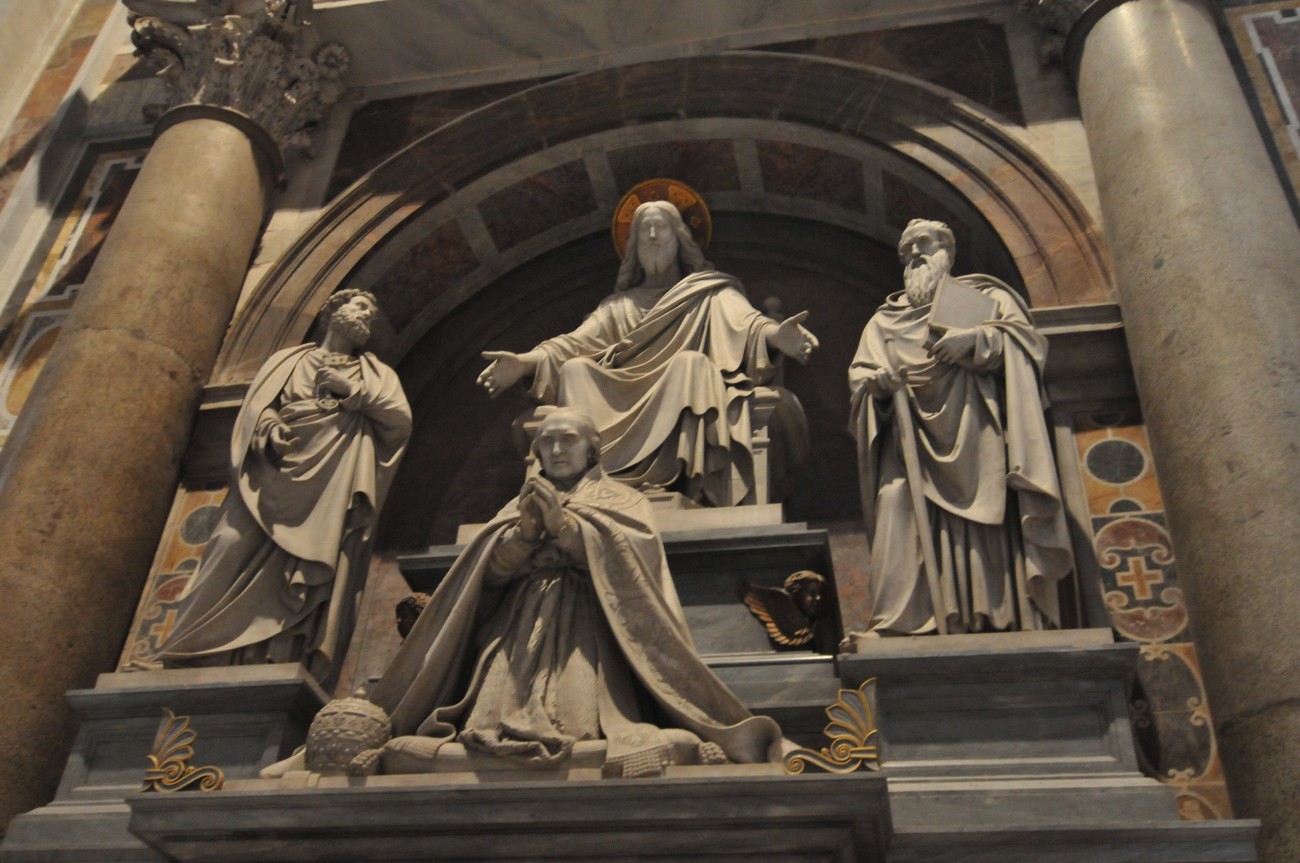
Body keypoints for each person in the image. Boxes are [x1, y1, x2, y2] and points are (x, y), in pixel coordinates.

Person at [358, 408, 786, 777]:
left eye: (568, 439)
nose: (557, 449)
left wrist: (565, 529)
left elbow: (635, 564)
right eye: (547, 442)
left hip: (590, 624)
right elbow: (485, 576)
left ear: (592, 450)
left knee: (576, 719)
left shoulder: (622, 500)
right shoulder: (514, 505)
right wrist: (522, 538)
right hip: (518, 626)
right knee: (489, 720)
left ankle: (589, 746)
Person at [146, 290, 411, 686]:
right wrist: (267, 427)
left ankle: (277, 652)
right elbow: (259, 408)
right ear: (332, 312)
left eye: (371, 314)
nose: (366, 317)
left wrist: (351, 391)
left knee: (305, 567)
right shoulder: (288, 361)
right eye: (359, 307)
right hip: (273, 471)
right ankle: (189, 648)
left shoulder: (374, 374)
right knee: (228, 543)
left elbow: (399, 420)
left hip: (329, 485)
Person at [477, 199, 818, 506]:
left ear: (680, 239)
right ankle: (590, 486)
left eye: (661, 227)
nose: (653, 236)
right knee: (575, 369)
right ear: (634, 247)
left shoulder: (709, 292)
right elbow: (570, 345)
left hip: (681, 387)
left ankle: (686, 482)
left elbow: (748, 324)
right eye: (644, 231)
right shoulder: (618, 306)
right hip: (621, 393)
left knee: (690, 363)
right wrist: (523, 363)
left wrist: (778, 335)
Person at [849, 219, 1073, 635]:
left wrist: (973, 340)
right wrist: (878, 385)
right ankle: (903, 622)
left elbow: (1026, 345)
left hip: (977, 426)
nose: (915, 254)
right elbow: (860, 377)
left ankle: (999, 617)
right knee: (895, 503)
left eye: (923, 244)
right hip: (909, 437)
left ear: (947, 252)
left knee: (989, 508)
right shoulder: (882, 323)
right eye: (906, 250)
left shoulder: (984, 298)